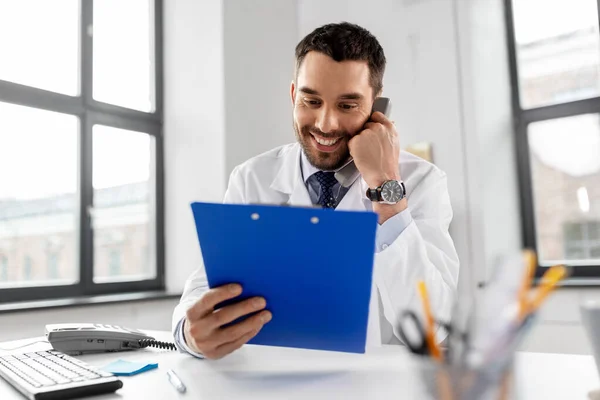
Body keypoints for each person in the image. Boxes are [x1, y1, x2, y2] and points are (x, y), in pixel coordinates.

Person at [172, 22, 459, 360]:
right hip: (272, 379)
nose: (325, 124)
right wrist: (187, 335)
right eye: (311, 100)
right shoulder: (252, 177)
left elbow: (431, 329)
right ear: (294, 95)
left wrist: (385, 186)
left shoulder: (423, 181)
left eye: (348, 105)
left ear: (377, 109)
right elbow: (206, 285)